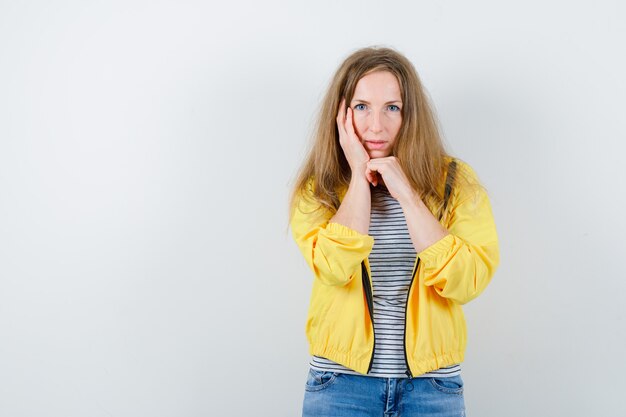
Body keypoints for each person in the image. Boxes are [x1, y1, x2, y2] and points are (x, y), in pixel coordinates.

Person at [288, 46, 500, 417]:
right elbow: (333, 267)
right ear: (341, 114)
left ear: (409, 114)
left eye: (392, 107)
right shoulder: (318, 187)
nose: (376, 126)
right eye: (361, 107)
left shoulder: (454, 182)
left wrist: (408, 195)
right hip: (340, 385)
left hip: (432, 388)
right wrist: (357, 176)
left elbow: (468, 281)